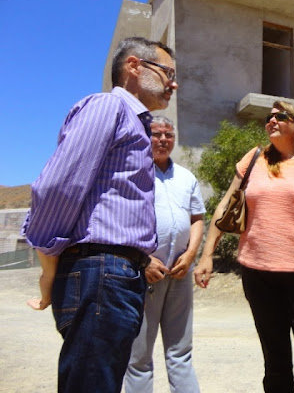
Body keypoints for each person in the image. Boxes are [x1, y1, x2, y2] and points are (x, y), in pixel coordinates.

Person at [22, 37, 178, 393]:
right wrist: (48, 261)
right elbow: (58, 186)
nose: (174, 83)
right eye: (167, 73)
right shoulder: (109, 107)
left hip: (114, 276)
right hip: (101, 274)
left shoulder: (136, 123)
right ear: (134, 66)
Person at [194, 100, 294, 393]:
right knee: (275, 365)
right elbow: (225, 206)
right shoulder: (254, 158)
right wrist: (207, 254)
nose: (271, 120)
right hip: (258, 275)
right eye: (268, 117)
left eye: (280, 116)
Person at [125, 115, 205, 392]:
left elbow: (197, 218)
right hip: (143, 275)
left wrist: (191, 253)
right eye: (156, 134)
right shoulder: (132, 173)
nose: (162, 139)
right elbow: (120, 222)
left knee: (180, 352)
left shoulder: (186, 177)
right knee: (138, 358)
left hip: (180, 274)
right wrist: (144, 260)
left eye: (168, 134)